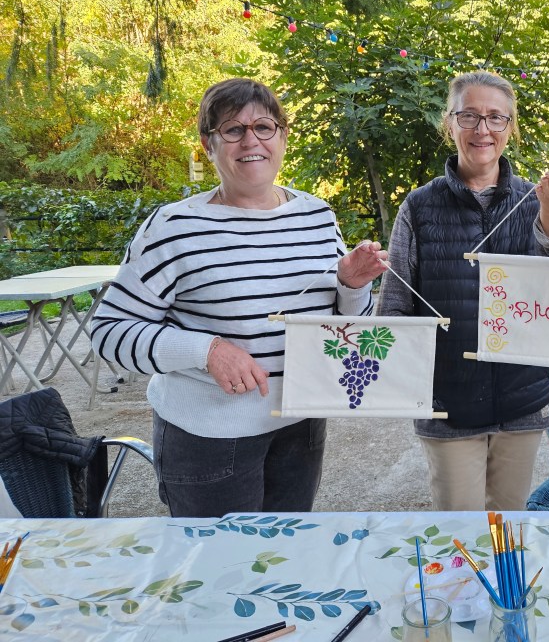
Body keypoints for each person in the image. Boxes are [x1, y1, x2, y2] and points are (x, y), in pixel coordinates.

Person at [91, 78, 388, 517]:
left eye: (264, 127)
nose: (251, 140)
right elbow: (108, 331)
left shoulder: (316, 215)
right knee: (219, 572)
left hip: (301, 425)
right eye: (232, 129)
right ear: (209, 144)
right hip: (208, 437)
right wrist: (204, 349)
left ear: (283, 136)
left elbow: (347, 326)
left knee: (284, 562)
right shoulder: (173, 227)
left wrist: (353, 284)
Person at [377, 70, 549, 511]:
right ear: (448, 124)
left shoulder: (540, 199)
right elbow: (393, 306)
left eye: (496, 118)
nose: (482, 129)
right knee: (460, 540)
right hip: (447, 402)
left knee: (508, 531)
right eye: (468, 116)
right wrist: (402, 379)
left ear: (511, 128)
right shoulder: (418, 206)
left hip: (524, 398)